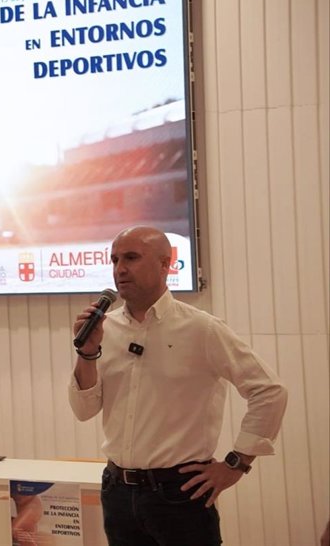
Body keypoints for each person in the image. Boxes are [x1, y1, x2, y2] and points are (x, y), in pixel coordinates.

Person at [68, 226, 288, 545]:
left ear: (164, 264)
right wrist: (87, 353)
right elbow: (83, 410)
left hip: (179, 493)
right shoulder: (105, 329)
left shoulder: (201, 328)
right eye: (114, 260)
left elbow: (269, 390)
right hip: (117, 491)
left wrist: (237, 464)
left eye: (131, 257)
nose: (120, 269)